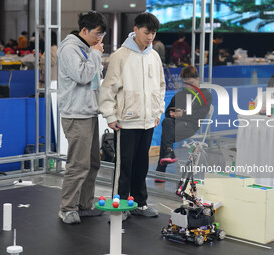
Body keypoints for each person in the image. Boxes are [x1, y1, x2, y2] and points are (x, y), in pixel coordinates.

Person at [99, 12, 166, 221]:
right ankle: (118, 206)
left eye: (153, 33)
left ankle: (140, 203)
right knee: (124, 166)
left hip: (148, 121)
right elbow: (108, 88)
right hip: (125, 121)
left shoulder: (154, 55)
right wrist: (110, 115)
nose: (150, 37)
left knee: (141, 164)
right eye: (147, 32)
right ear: (135, 29)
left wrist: (158, 111)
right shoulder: (120, 55)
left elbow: (161, 86)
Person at [57, 10, 107, 224]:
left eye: (102, 35)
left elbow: (95, 79)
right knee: (78, 165)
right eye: (97, 34)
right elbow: (83, 76)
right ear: (84, 30)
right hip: (76, 115)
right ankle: (67, 208)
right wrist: (96, 55)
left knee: (93, 162)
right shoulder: (69, 49)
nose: (99, 39)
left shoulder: (87, 48)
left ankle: (85, 204)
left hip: (89, 112)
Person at [155, 66, 212, 181]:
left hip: (191, 125)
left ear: (198, 79)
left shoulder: (206, 95)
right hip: (175, 124)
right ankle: (168, 152)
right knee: (167, 122)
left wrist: (183, 114)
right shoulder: (180, 95)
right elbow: (167, 113)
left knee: (167, 135)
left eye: (191, 83)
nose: (189, 86)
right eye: (186, 84)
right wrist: (173, 113)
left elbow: (199, 116)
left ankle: (161, 169)